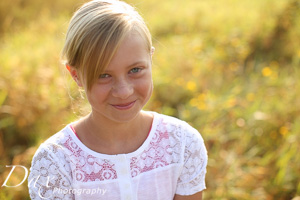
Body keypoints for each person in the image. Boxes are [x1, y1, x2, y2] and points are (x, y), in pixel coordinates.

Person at [28, 0, 208, 199]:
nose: (123, 91)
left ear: (150, 58)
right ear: (76, 75)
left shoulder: (182, 143)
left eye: (135, 70)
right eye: (103, 75)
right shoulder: (56, 161)